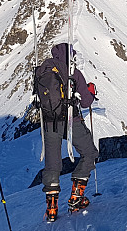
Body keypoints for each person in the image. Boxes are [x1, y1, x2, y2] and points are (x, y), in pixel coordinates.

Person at [33, 43, 98, 221]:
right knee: (89, 153)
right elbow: (85, 102)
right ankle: (76, 197)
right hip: (71, 119)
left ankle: (52, 208)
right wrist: (91, 91)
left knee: (52, 164)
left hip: (48, 122)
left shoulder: (41, 71)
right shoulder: (72, 71)